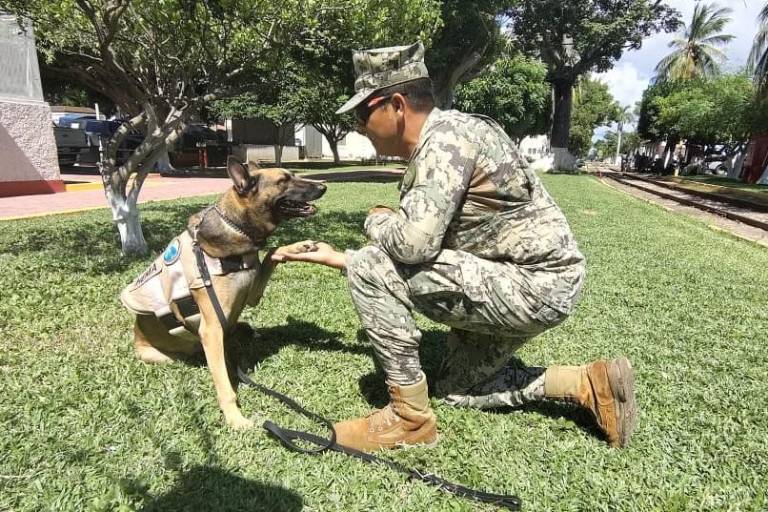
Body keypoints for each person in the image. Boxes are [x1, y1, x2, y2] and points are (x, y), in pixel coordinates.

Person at [273, 42, 636, 452]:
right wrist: (340, 257)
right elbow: (432, 248)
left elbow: (411, 247)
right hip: (530, 282)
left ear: (395, 105)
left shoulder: (444, 142)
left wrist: (375, 219)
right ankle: (587, 383)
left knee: (373, 262)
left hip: (534, 285)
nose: (360, 126)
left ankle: (409, 420)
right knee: (460, 388)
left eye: (362, 113)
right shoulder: (449, 136)